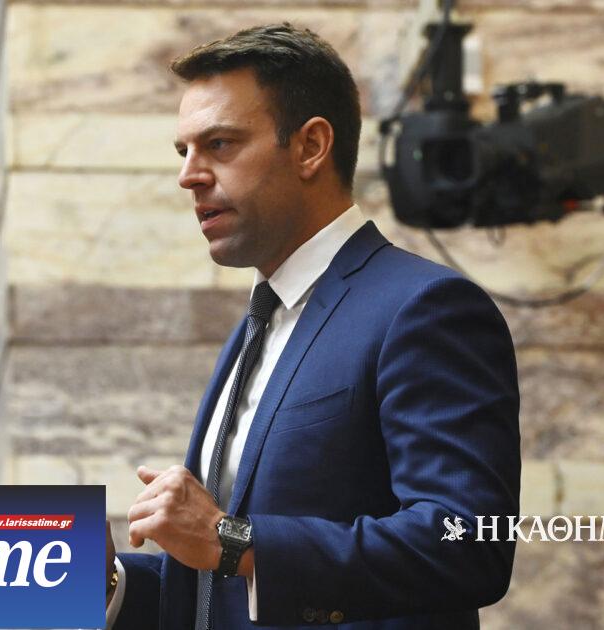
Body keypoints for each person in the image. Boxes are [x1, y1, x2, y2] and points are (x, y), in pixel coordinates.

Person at [103, 23, 521, 629]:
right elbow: (224, 588)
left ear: (311, 147)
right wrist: (107, 584)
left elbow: (469, 543)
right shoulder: (259, 324)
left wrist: (233, 539)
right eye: (183, 152)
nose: (189, 175)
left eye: (219, 144)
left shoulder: (423, 308)